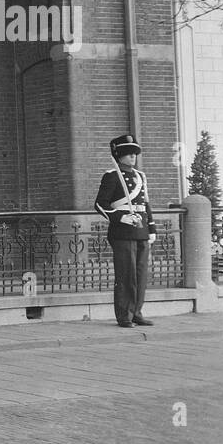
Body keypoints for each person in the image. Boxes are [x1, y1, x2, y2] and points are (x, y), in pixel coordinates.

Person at [93, 132, 156, 328]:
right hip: (122, 231)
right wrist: (121, 217)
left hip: (141, 230)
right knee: (126, 274)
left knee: (140, 274)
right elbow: (100, 204)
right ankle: (124, 315)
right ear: (119, 156)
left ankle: (136, 312)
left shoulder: (140, 176)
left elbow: (146, 205)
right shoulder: (112, 176)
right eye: (128, 153)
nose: (132, 157)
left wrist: (151, 228)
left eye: (134, 153)